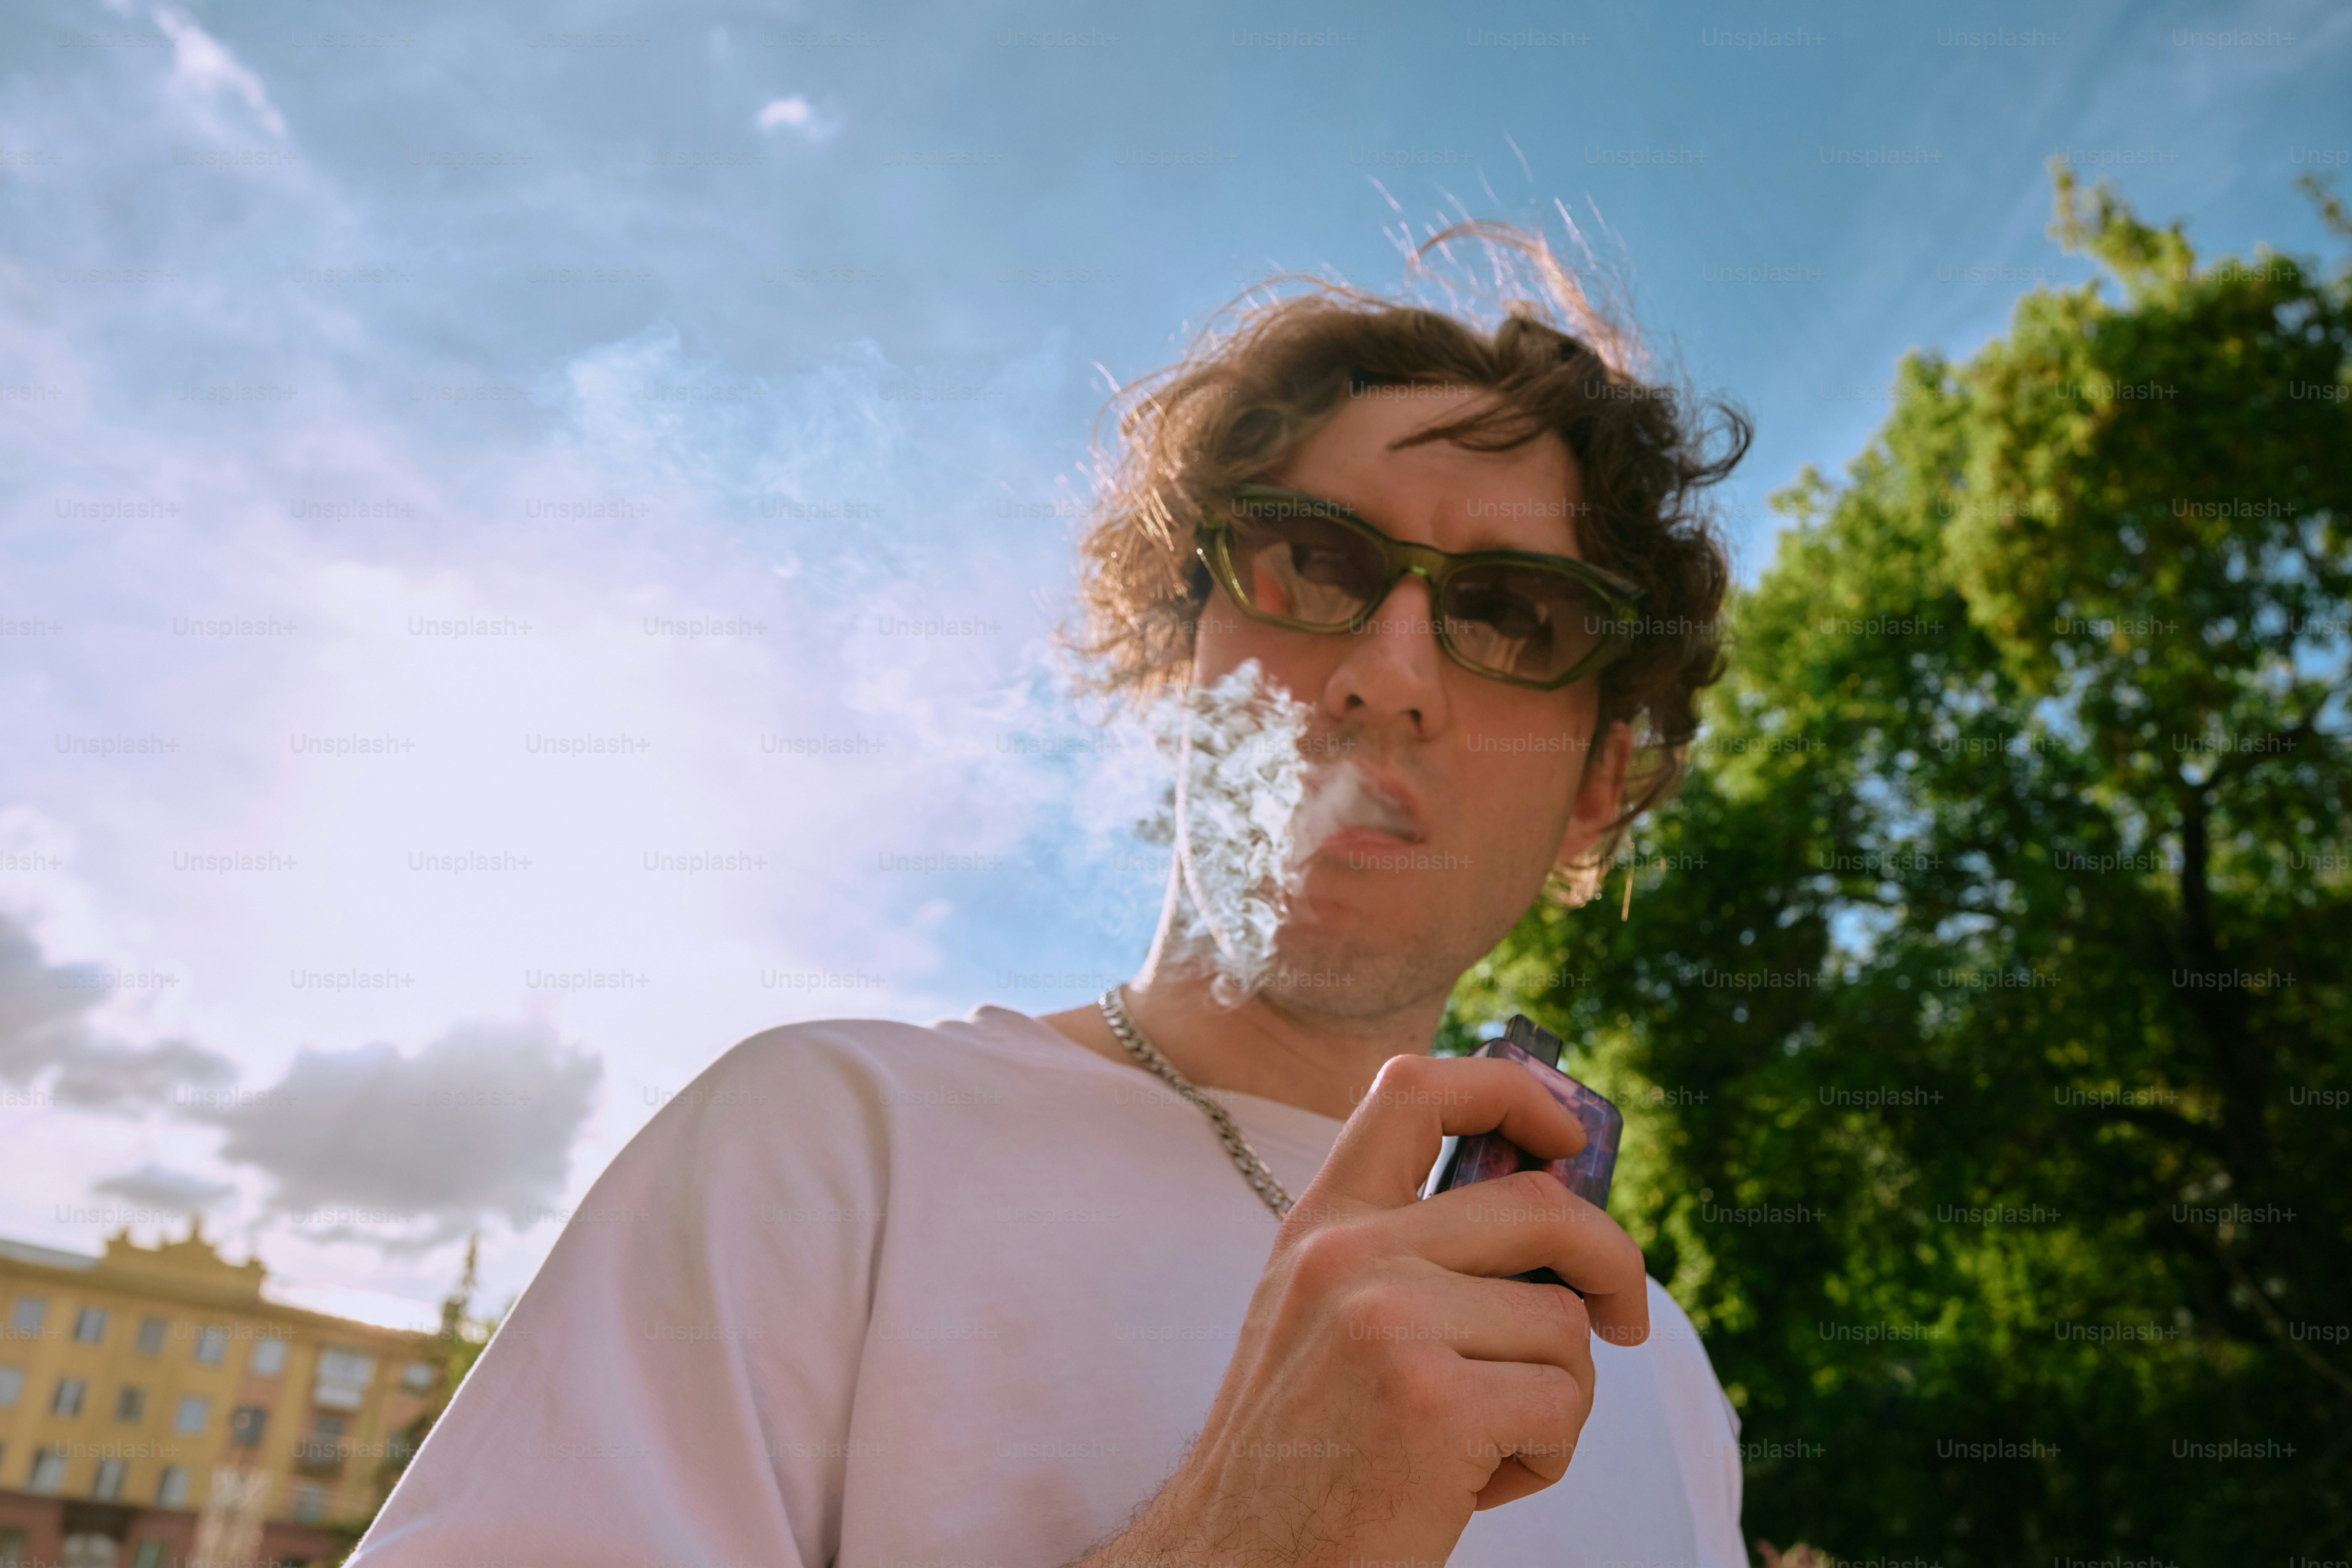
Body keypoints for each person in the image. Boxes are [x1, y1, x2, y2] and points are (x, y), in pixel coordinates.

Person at [348, 227, 1753, 1568]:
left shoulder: (1658, 1370)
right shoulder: (819, 1153)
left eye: (1516, 615)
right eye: (1312, 559)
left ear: (1597, 784)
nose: (1386, 673)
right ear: (1189, 642)